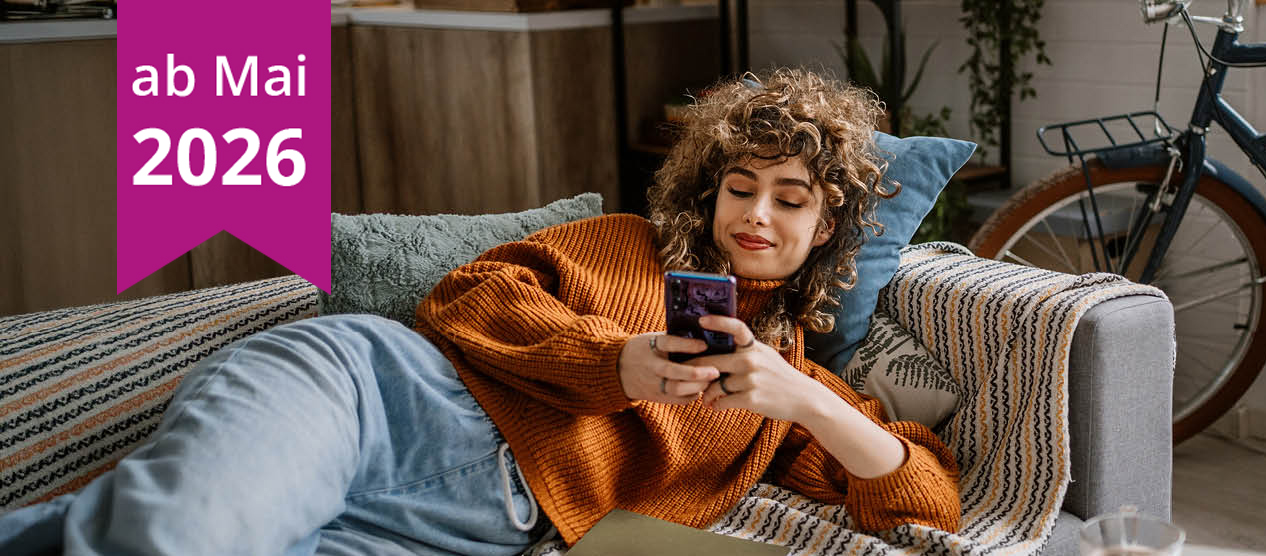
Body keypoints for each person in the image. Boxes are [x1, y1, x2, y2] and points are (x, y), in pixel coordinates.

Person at [0, 68, 959, 555]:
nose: (755, 214)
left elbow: (923, 502)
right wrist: (616, 362)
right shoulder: (628, 242)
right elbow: (466, 295)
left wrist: (807, 401)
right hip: (377, 396)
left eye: (790, 198)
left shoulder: (781, 391)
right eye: (739, 186)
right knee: (183, 540)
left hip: (461, 532)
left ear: (828, 222)